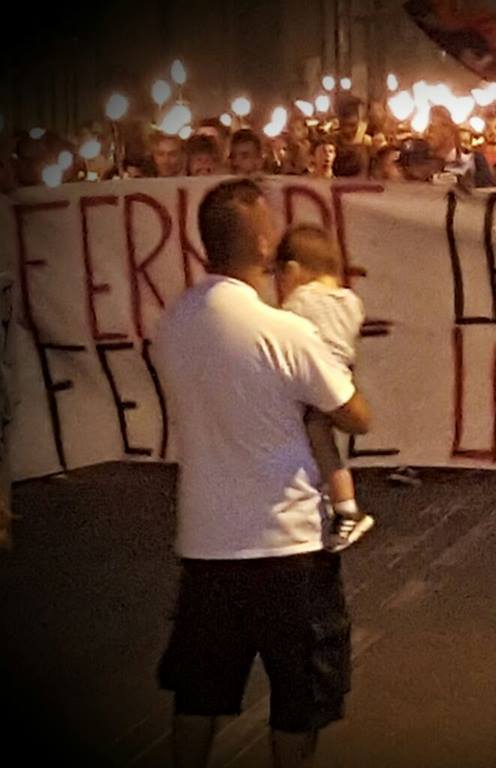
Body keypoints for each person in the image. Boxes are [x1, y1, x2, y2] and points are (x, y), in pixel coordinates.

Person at [153, 178, 371, 768]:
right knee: (299, 698)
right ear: (261, 240)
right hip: (288, 545)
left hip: (206, 544)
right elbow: (354, 414)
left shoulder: (174, 323)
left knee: (198, 693)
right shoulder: (284, 331)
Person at [276, 224, 375, 552]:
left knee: (316, 438)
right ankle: (338, 501)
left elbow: (282, 333)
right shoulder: (351, 302)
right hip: (341, 382)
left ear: (292, 271)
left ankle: (346, 508)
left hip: (314, 381)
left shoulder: (301, 302)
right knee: (326, 446)